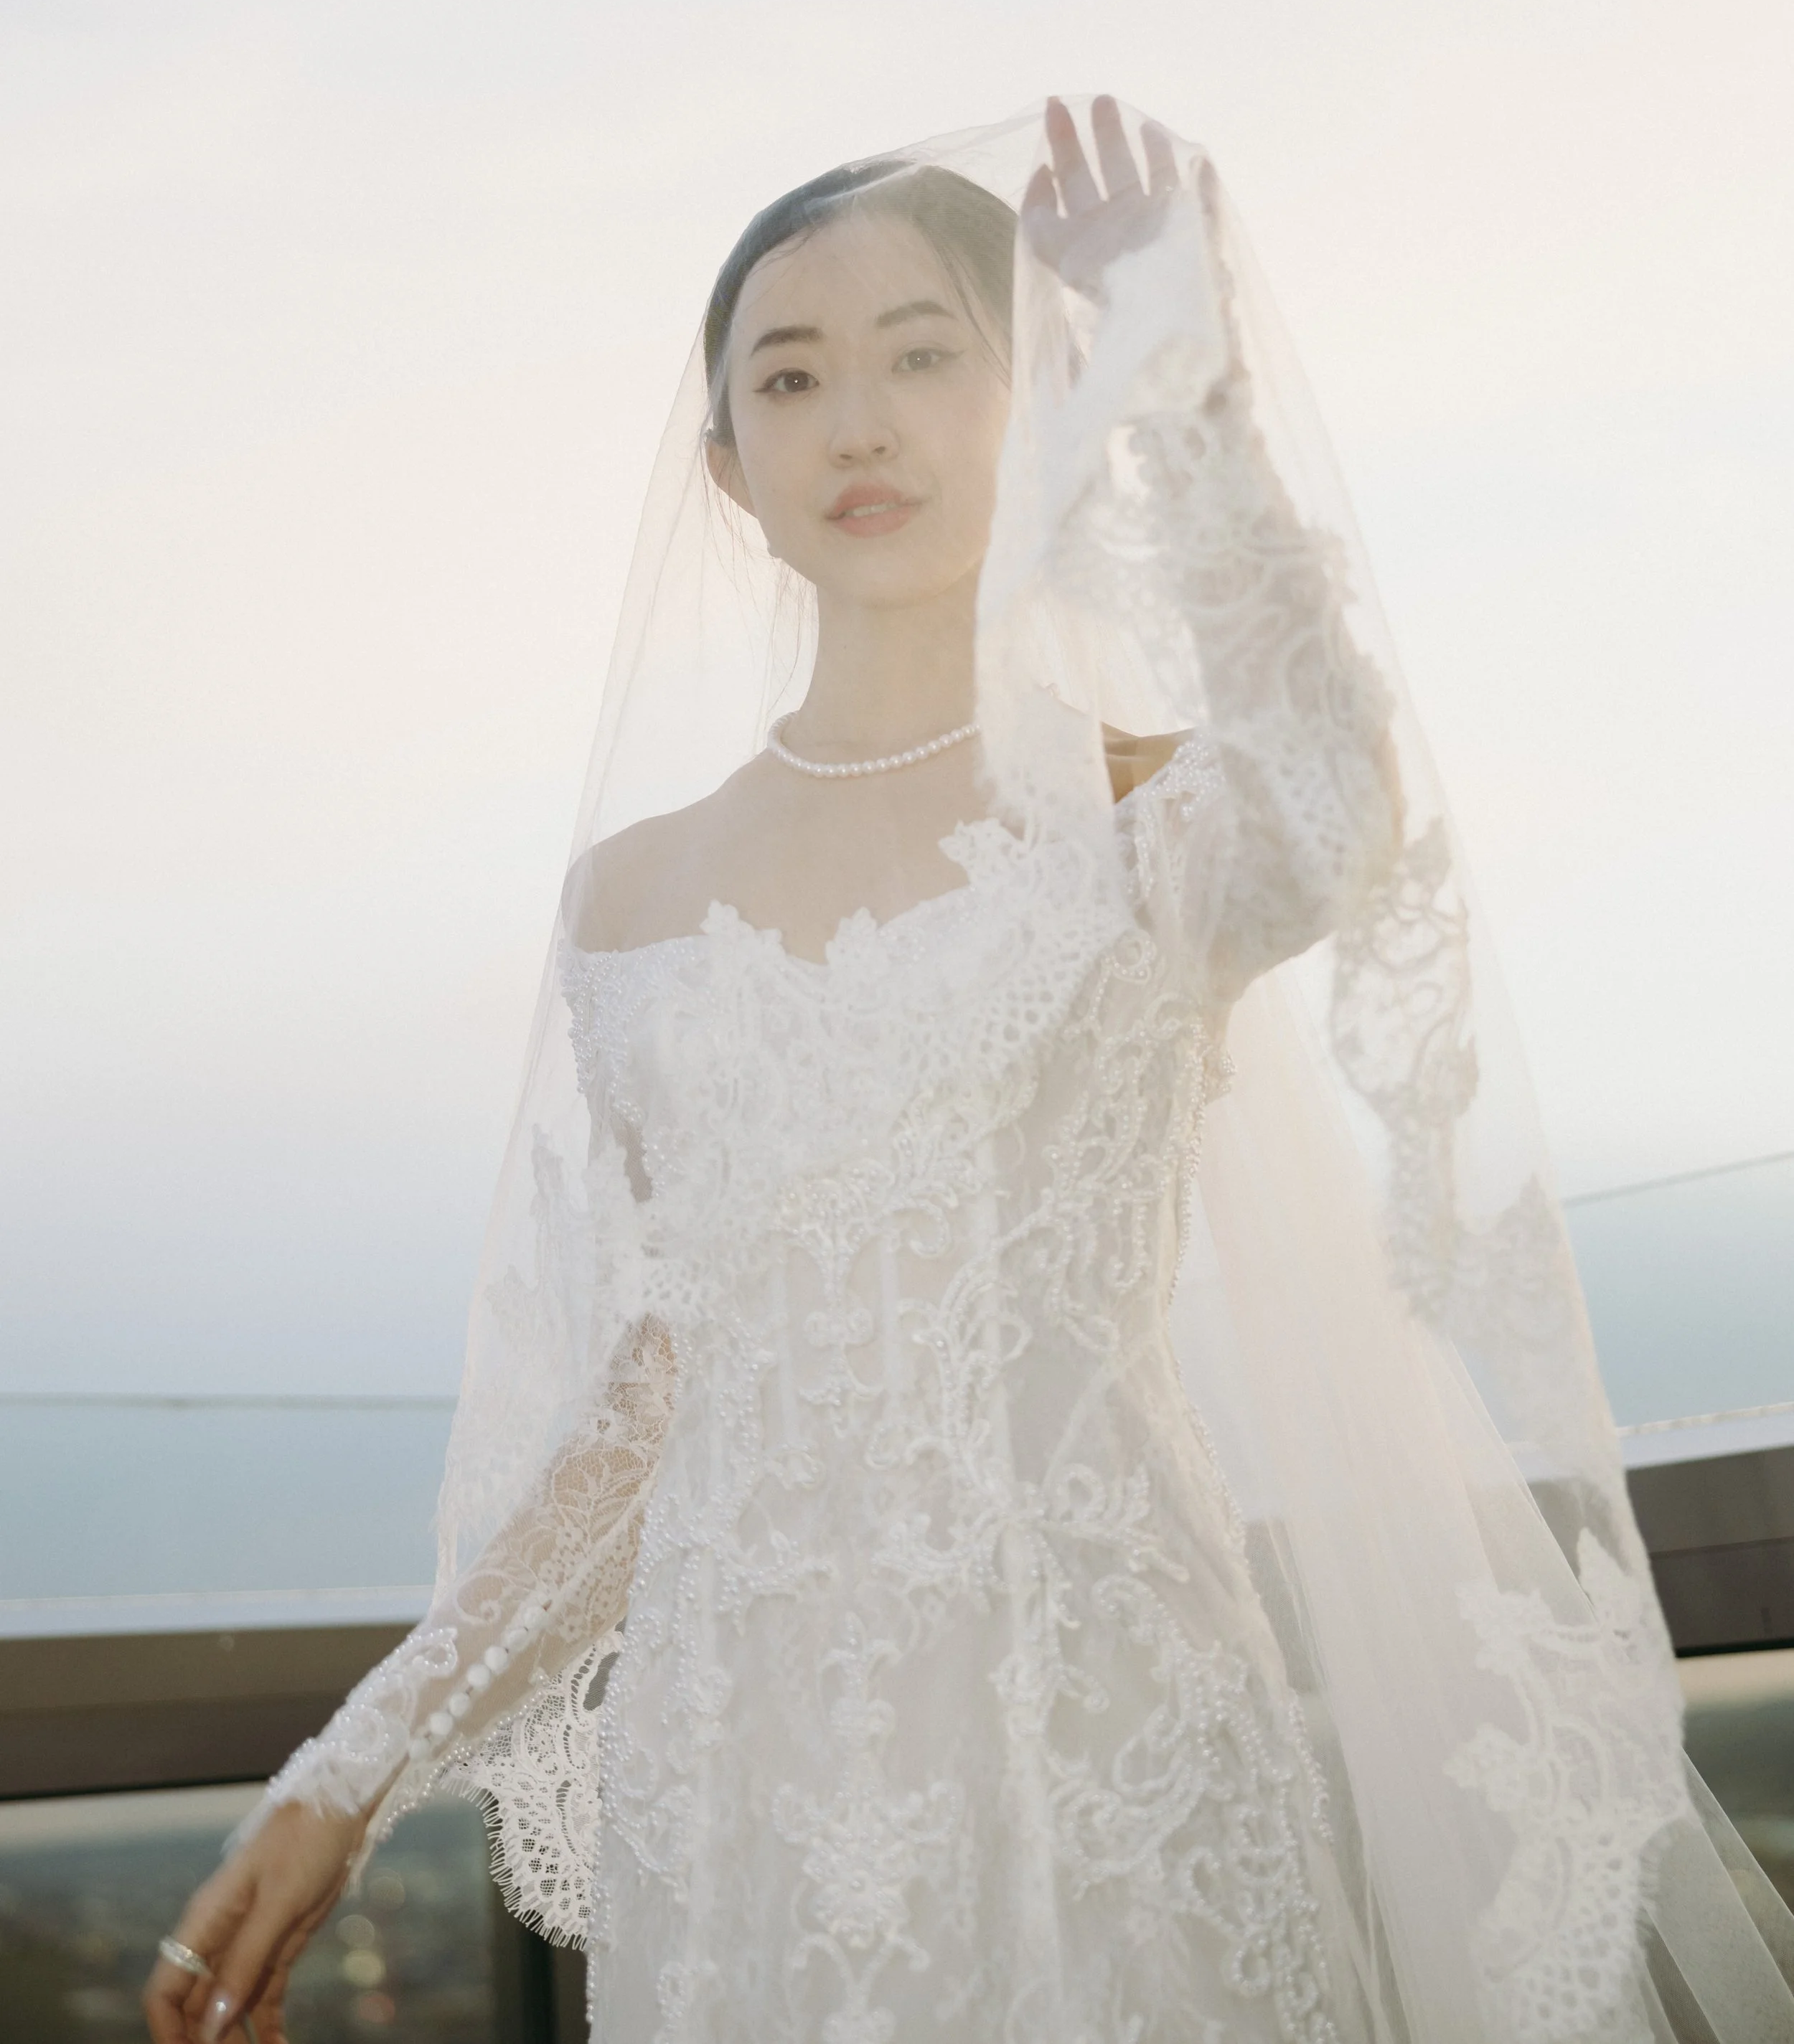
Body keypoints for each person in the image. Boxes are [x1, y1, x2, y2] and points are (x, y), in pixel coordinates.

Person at [147, 98, 1794, 2043]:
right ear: (725, 466)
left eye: (928, 352)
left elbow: (1347, 816)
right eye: (793, 373)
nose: (860, 418)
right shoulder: (632, 897)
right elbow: (659, 1403)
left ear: (1031, 409)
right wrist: (347, 1769)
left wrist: (1185, 394)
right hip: (744, 1804)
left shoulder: (1142, 814)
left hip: (1098, 1755)